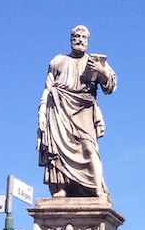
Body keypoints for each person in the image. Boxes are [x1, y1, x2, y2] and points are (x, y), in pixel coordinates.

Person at [37, 25, 117, 198]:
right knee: (57, 149)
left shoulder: (94, 61)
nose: (80, 39)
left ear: (88, 41)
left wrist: (100, 71)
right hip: (58, 109)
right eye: (76, 36)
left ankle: (97, 187)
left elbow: (110, 86)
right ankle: (60, 187)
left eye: (83, 37)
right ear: (71, 39)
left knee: (89, 148)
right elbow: (48, 87)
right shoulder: (58, 61)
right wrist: (42, 111)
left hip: (84, 110)